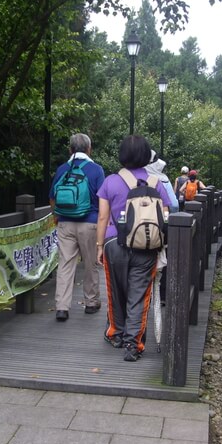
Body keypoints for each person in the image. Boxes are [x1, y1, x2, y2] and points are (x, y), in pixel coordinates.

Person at [96, 135, 171, 362]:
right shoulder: (156, 182)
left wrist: (99, 246)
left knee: (115, 291)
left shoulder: (110, 181)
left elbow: (102, 217)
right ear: (147, 155)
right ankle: (133, 343)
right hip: (145, 246)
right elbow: (166, 214)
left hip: (113, 243)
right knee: (139, 294)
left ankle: (115, 334)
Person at [49, 133, 105, 322]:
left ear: (70, 149)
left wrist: (56, 215)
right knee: (91, 263)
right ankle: (91, 302)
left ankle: (62, 307)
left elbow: (52, 196)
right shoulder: (96, 170)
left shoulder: (62, 169)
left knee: (65, 264)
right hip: (90, 222)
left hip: (65, 222)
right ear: (89, 149)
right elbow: (102, 199)